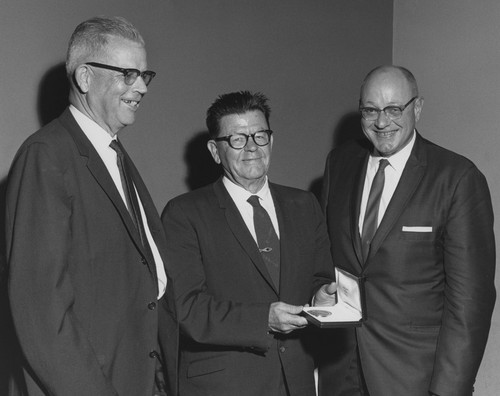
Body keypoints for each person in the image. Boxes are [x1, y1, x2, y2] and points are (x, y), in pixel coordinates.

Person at [5, 16, 178, 396]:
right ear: (84, 78)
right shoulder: (46, 154)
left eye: (144, 75)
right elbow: (41, 312)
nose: (141, 88)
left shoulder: (113, 156)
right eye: (128, 73)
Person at [318, 65, 496, 396]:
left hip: (416, 379)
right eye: (370, 110)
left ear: (418, 108)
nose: (382, 122)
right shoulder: (339, 163)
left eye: (394, 109)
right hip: (342, 373)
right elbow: (326, 259)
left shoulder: (456, 178)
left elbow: (471, 302)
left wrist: (448, 390)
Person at [161, 91, 336, 396]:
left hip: (297, 383)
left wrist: (320, 299)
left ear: (272, 141)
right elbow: (186, 309)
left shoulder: (304, 205)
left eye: (260, 135)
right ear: (216, 151)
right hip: (223, 386)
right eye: (238, 139)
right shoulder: (184, 213)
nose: (252, 147)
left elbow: (318, 279)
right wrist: (262, 320)